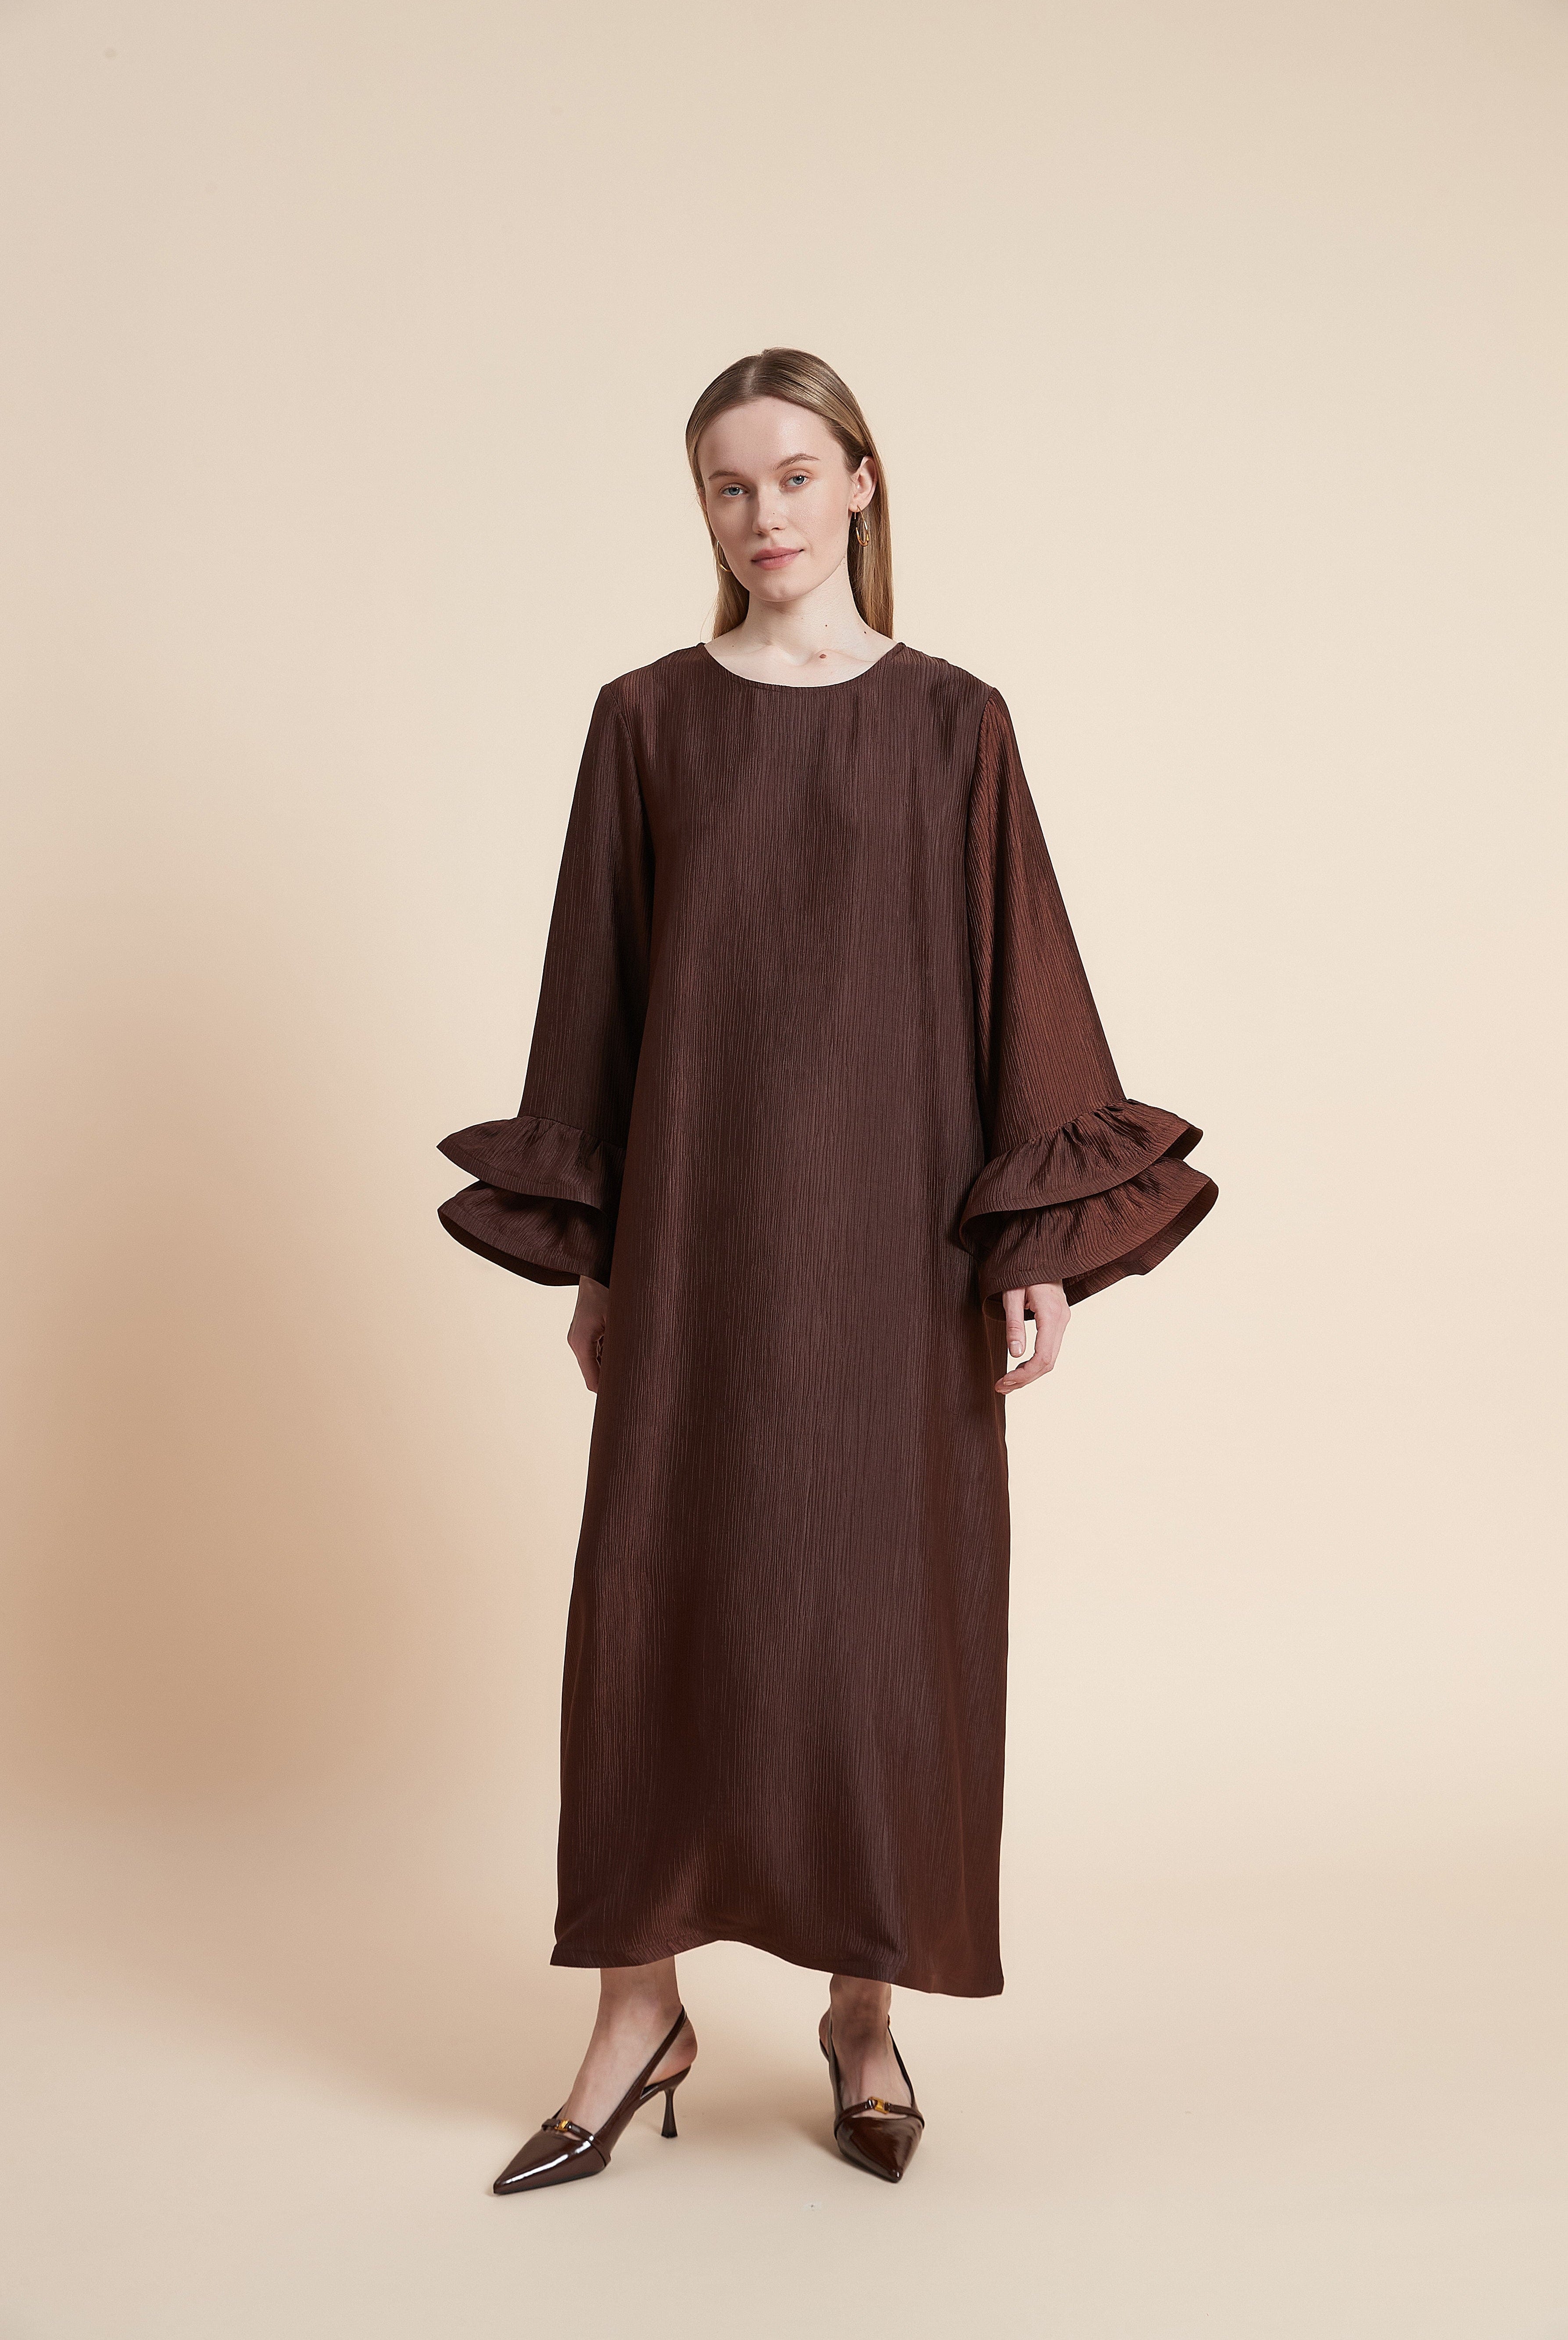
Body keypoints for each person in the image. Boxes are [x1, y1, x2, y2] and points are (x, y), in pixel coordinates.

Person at [437, 347, 1217, 2192]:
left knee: (883, 1614)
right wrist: (599, 1257)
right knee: (657, 1604)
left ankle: (867, 2014)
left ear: (862, 481)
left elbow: (1016, 971)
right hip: (701, 1239)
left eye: (795, 474)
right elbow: (599, 996)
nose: (764, 513)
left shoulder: (953, 722)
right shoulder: (646, 721)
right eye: (729, 485)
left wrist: (1031, 1247)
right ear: (703, 510)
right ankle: (637, 2012)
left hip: (893, 1241)